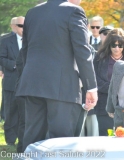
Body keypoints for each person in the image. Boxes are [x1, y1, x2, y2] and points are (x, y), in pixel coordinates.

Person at [15, 0, 98, 151]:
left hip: (33, 84)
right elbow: (82, 50)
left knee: (33, 138)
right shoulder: (74, 11)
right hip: (62, 86)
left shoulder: (32, 12)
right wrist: (91, 86)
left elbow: (25, 51)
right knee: (61, 141)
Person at [94, 28, 124, 136]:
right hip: (104, 103)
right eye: (113, 45)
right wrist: (114, 89)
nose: (117, 48)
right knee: (105, 135)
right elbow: (95, 79)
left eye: (120, 45)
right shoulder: (99, 58)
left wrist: (117, 89)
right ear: (108, 45)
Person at [0, 16, 25, 149]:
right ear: (13, 26)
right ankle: (10, 140)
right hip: (11, 81)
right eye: (21, 26)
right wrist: (16, 65)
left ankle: (23, 138)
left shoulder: (30, 39)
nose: (24, 29)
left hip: (26, 81)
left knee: (24, 112)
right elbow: (1, 58)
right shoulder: (5, 41)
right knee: (10, 111)